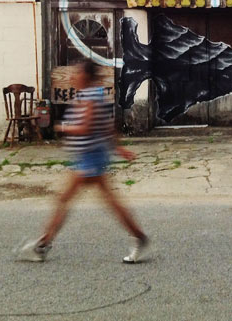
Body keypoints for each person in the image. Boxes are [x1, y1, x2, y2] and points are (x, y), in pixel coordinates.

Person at [15, 59, 148, 263]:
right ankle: (139, 236)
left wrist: (62, 127)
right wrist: (118, 148)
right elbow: (106, 126)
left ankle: (42, 245)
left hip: (90, 158)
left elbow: (86, 127)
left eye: (77, 73)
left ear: (85, 76)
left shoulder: (90, 97)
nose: (73, 76)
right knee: (99, 201)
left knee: (68, 200)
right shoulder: (93, 95)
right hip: (89, 156)